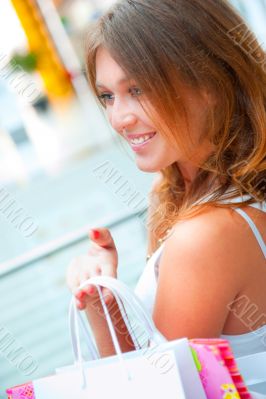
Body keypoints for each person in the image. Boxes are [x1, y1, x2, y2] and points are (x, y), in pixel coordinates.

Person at [66, 0, 266, 362]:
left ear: (209, 83)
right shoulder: (173, 194)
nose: (119, 119)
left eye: (139, 89)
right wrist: (101, 299)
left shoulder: (208, 234)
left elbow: (156, 389)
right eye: (108, 96)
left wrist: (103, 312)